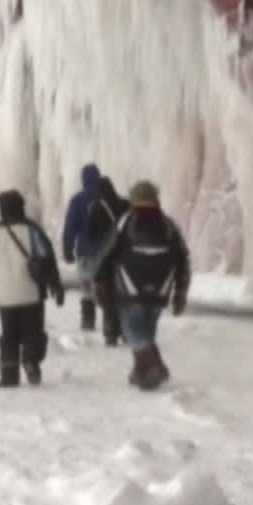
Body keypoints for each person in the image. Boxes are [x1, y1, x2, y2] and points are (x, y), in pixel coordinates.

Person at [92, 180, 191, 390]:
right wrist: (181, 290)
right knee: (147, 329)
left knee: (132, 332)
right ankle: (143, 373)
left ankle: (155, 365)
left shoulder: (126, 220)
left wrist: (98, 279)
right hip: (162, 288)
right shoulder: (169, 224)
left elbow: (106, 252)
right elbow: (183, 257)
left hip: (130, 286)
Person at [0, 189, 65, 387]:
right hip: (31, 293)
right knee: (33, 332)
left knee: (9, 335)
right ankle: (31, 361)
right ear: (21, 206)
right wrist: (56, 285)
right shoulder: (31, 229)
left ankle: (8, 374)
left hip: (5, 296)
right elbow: (47, 258)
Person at [82, 175, 130, 345]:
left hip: (105, 257)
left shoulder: (96, 208)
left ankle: (111, 332)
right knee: (125, 293)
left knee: (108, 295)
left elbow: (89, 234)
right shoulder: (126, 205)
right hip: (125, 257)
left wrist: (94, 252)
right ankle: (127, 331)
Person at [61, 163, 103, 332]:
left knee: (86, 287)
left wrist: (67, 248)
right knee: (107, 285)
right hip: (107, 251)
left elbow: (71, 227)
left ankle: (88, 319)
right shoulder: (107, 198)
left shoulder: (78, 200)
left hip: (85, 251)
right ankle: (112, 323)